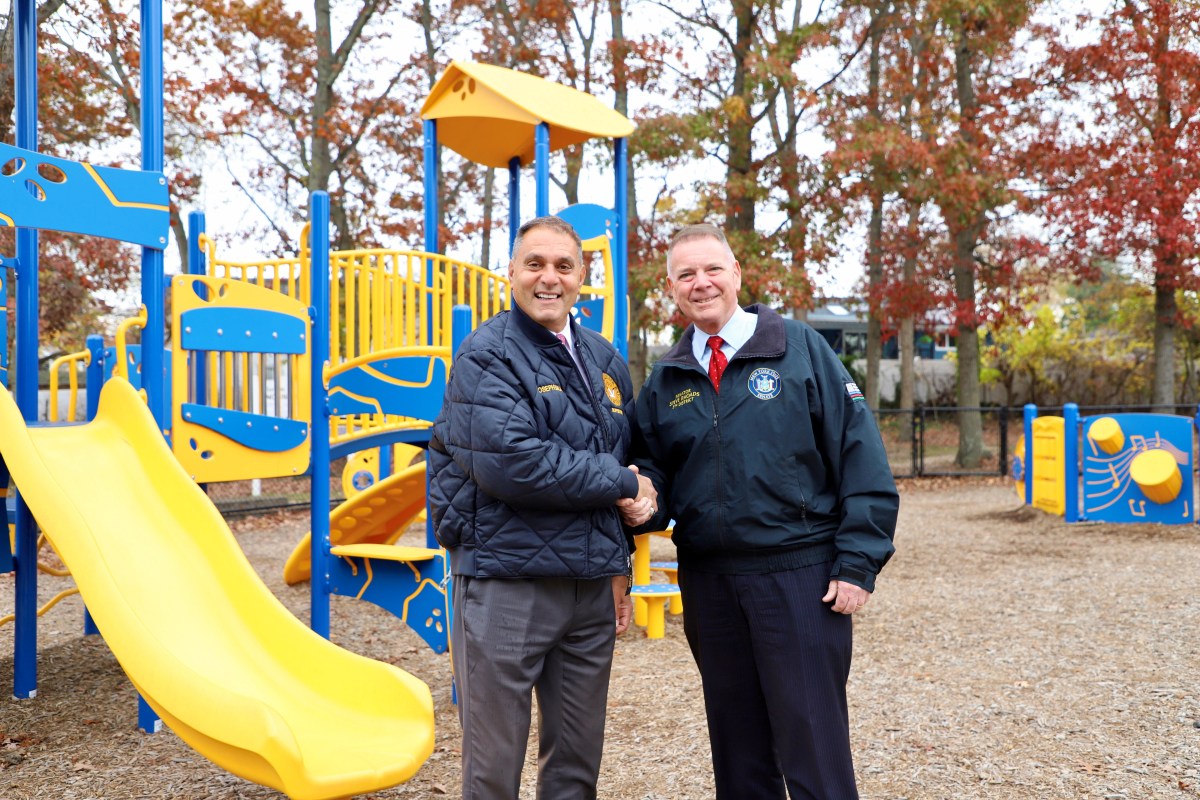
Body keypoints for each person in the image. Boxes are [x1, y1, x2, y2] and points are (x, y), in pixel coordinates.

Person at [631, 223, 898, 799]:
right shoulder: (666, 377)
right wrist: (644, 500)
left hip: (798, 576)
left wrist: (857, 561)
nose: (701, 284)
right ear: (672, 289)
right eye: (686, 275)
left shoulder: (799, 348)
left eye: (712, 270)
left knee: (812, 741)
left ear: (737, 275)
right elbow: (652, 466)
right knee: (738, 747)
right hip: (710, 582)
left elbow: (861, 458)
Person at [428, 215, 657, 800]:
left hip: (588, 591)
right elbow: (515, 463)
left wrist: (618, 569)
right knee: (493, 768)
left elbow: (627, 455)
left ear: (582, 276)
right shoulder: (486, 355)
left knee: (577, 765)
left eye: (563, 265)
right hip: (507, 582)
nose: (548, 278)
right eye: (534, 264)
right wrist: (623, 483)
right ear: (511, 273)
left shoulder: (603, 358)